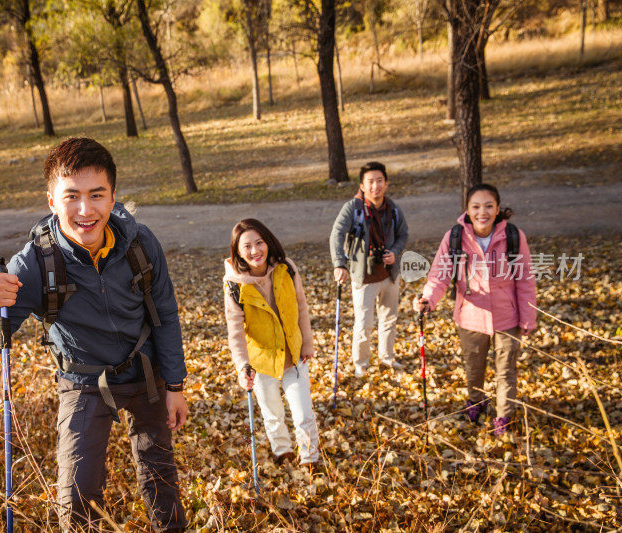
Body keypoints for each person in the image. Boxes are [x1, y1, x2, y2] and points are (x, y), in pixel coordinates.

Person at [0, 137, 188, 532]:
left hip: (146, 374)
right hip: (83, 383)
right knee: (77, 495)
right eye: (72, 196)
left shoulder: (141, 244)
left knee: (161, 478)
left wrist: (176, 384)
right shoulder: (33, 265)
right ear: (51, 201)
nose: (85, 210)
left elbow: (165, 314)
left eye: (97, 195)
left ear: (113, 197)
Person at [413, 183, 537, 437]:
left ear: (498, 209)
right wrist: (428, 299)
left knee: (506, 370)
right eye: (476, 207)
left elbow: (525, 280)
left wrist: (528, 316)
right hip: (470, 316)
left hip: (508, 317)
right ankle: (476, 403)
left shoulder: (513, 236)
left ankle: (503, 417)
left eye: (489, 206)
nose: (483, 212)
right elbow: (440, 275)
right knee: (474, 367)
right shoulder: (455, 237)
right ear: (467, 210)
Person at [223, 219, 320, 466]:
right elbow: (234, 331)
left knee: (303, 414)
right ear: (237, 252)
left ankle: (311, 460)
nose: (255, 251)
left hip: (293, 354)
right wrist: (242, 366)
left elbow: (301, 307)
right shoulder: (235, 285)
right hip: (261, 361)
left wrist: (307, 343)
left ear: (268, 242)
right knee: (273, 415)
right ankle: (282, 451)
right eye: (247, 246)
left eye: (259, 242)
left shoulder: (286, 269)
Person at [329, 162, 409, 377]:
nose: (376, 186)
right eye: (370, 182)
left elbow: (403, 234)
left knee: (389, 318)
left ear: (386, 183)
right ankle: (361, 363)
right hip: (363, 275)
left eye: (380, 181)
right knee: (364, 323)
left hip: (389, 274)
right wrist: (339, 264)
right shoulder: (353, 209)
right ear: (362, 186)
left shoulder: (393, 209)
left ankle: (387, 358)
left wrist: (395, 251)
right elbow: (337, 234)